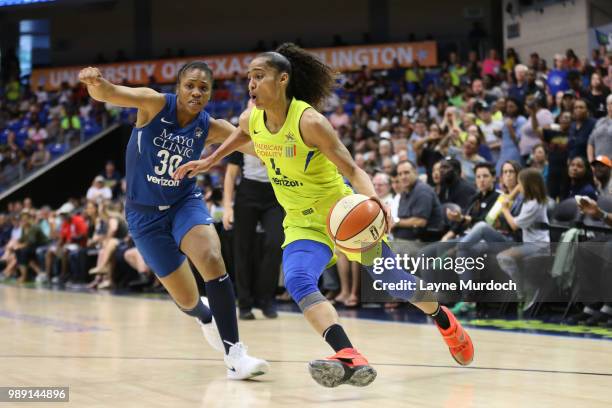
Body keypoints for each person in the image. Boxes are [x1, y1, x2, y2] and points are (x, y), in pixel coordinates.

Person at [173, 43, 474, 388]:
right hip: (302, 224)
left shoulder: (310, 122)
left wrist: (376, 202)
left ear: (283, 79)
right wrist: (209, 160)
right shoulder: (250, 117)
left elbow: (353, 168)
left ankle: (442, 317)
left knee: (396, 283)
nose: (251, 84)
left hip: (345, 218)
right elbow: (240, 135)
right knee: (299, 281)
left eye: (259, 77)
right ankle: (348, 354)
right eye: (248, 78)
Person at [78, 63, 268, 380]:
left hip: (183, 203)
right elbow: (109, 93)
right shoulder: (153, 104)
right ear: (178, 87)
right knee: (188, 300)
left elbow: (260, 148)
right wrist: (93, 82)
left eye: (204, 88)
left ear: (210, 93)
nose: (196, 92)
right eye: (190, 85)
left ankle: (235, 355)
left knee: (210, 256)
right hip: (143, 216)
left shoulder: (211, 127)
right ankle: (204, 315)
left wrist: (285, 134)